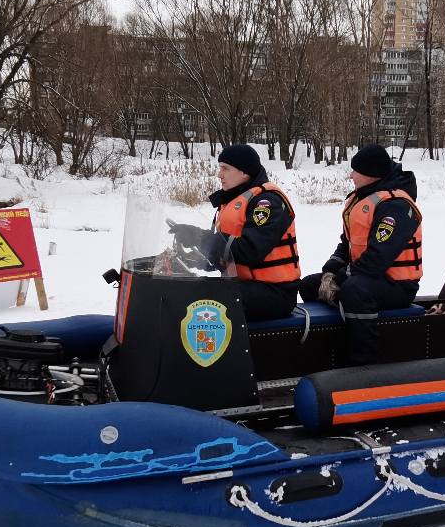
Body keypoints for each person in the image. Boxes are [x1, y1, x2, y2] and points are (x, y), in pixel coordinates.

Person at [300, 144, 422, 364]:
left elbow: (378, 258)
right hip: (365, 277)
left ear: (370, 174)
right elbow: (347, 244)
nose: (351, 175)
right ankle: (330, 346)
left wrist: (340, 278)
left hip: (396, 286)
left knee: (354, 290)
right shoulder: (363, 198)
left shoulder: (396, 205)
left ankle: (364, 360)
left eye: (355, 171)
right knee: (310, 284)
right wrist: (330, 271)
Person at [169, 144, 301, 322]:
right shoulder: (234, 199)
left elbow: (250, 251)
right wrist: (196, 257)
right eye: (220, 168)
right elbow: (227, 253)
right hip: (246, 285)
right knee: (188, 292)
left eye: (225, 168)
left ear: (244, 172)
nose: (219, 175)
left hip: (275, 292)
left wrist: (202, 238)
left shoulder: (267, 203)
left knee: (203, 303)